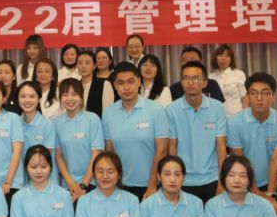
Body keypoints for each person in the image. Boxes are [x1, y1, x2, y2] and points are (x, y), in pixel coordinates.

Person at [228, 72, 277, 217]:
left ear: (273, 96)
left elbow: (275, 161)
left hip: (270, 183)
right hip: (241, 181)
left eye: (265, 93)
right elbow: (240, 161)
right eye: (254, 93)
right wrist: (256, 192)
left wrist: (270, 195)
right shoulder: (234, 123)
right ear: (247, 96)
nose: (259, 98)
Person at [103, 62, 168, 201]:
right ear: (115, 85)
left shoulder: (156, 110)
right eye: (121, 83)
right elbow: (109, 152)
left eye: (131, 81)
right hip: (120, 186)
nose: (126, 87)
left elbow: (162, 150)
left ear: (139, 82)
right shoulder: (108, 113)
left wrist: (152, 185)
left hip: (151, 186)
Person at [167, 61, 227, 203]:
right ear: (181, 82)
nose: (190, 82)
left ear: (204, 82)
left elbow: (221, 146)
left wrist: (222, 181)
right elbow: (172, 148)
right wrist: (175, 179)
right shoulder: (171, 110)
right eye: (186, 78)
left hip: (212, 179)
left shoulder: (217, 107)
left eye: (196, 78)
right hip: (184, 181)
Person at [205, 155, 277, 217]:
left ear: (249, 180)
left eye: (243, 176)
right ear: (223, 178)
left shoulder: (264, 204)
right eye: (231, 175)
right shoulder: (212, 205)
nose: (237, 180)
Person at [10, 145, 74, 217]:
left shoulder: (64, 195)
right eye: (33, 167)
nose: (39, 171)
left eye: (44, 167)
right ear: (26, 168)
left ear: (50, 167)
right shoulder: (18, 198)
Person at [75, 151, 141, 217]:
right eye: (100, 171)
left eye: (110, 172)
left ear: (119, 174)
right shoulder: (83, 201)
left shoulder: (132, 200)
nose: (105, 176)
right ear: (94, 174)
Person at [54, 78, 104, 202]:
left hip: (92, 183)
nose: (70, 99)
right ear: (60, 98)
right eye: (65, 95)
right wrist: (70, 182)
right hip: (68, 185)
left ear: (81, 97)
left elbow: (96, 154)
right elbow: (58, 156)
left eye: (74, 94)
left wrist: (83, 185)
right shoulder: (56, 122)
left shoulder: (92, 119)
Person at [139, 156, 206, 217]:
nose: (173, 179)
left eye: (177, 174)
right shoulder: (146, 205)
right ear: (159, 176)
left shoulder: (196, 203)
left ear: (184, 177)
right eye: (167, 174)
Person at [17, 81, 57, 181]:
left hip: (44, 179)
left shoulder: (47, 124)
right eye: (23, 96)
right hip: (22, 180)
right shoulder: (15, 123)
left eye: (32, 96)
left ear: (39, 99)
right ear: (18, 99)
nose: (27, 100)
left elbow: (46, 157)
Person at [209, 44, 248, 118]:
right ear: (216, 58)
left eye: (227, 56)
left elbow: (244, 98)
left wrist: (246, 116)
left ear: (231, 59)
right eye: (220, 55)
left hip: (237, 115)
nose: (223, 58)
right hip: (218, 116)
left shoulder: (239, 74)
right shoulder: (211, 77)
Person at [76, 50, 114, 117]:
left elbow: (108, 113)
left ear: (94, 66)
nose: (83, 66)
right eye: (80, 63)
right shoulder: (75, 86)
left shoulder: (104, 84)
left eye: (87, 63)